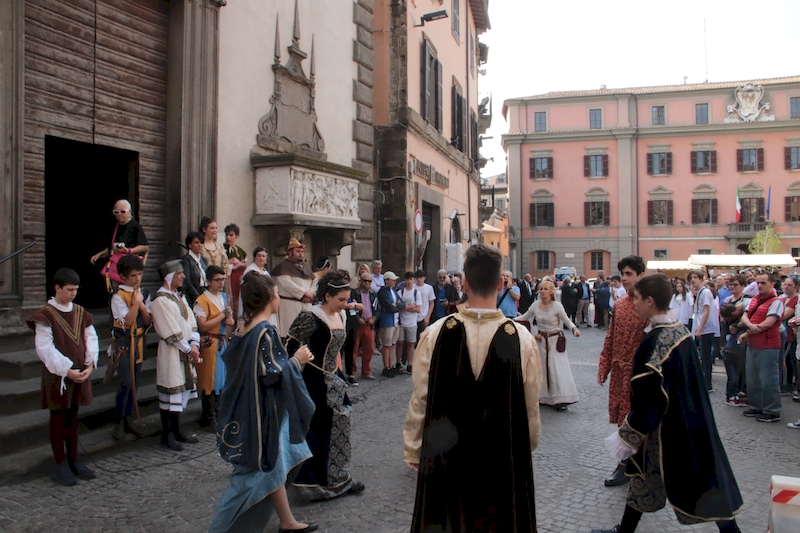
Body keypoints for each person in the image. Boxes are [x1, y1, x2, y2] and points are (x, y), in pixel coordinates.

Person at [403, 244, 542, 532]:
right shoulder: (522, 339)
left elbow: (421, 397)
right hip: (502, 454)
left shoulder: (435, 333)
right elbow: (530, 404)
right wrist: (527, 445)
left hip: (445, 454)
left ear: (464, 283)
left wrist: (414, 447)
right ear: (501, 283)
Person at [591, 274, 743, 533]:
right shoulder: (679, 330)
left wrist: (628, 435)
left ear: (650, 301)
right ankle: (624, 530)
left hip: (672, 430)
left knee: (705, 482)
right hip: (685, 422)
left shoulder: (656, 341)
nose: (633, 303)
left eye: (637, 298)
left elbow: (651, 399)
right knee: (644, 480)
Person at [209, 272, 318, 533]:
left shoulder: (241, 329)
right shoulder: (264, 331)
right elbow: (273, 375)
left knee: (274, 464)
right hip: (260, 413)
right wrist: (297, 361)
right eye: (278, 294)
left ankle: (287, 520)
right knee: (251, 474)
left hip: (247, 407)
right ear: (270, 298)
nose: (279, 298)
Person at [286, 272, 366, 501]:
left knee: (340, 427)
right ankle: (314, 482)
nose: (345, 304)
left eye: (346, 299)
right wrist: (301, 361)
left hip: (334, 379)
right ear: (327, 296)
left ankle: (339, 476)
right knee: (318, 431)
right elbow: (289, 344)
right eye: (340, 300)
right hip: (315, 381)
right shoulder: (311, 317)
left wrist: (340, 377)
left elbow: (337, 352)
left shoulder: (339, 316)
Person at [28, 268, 99, 486]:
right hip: (58, 375)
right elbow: (45, 348)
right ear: (57, 288)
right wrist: (66, 369)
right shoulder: (46, 315)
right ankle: (60, 464)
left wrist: (89, 363)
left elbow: (91, 337)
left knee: (73, 417)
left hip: (79, 372)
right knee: (59, 417)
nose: (73, 294)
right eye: (69, 290)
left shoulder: (80, 312)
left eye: (76, 290)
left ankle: (74, 458)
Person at [598, 255, 648, 487]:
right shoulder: (619, 305)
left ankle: (634, 463)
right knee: (622, 419)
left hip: (640, 373)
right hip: (620, 370)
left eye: (629, 274)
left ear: (640, 275)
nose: (624, 278)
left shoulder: (649, 304)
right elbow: (611, 336)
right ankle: (626, 462)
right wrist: (604, 364)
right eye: (623, 274)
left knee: (636, 419)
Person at [151, 260, 201, 451]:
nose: (183, 276)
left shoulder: (179, 297)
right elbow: (169, 329)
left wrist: (194, 343)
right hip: (172, 350)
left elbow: (192, 321)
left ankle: (177, 429)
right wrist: (189, 349)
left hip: (186, 349)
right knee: (171, 390)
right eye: (179, 273)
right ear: (169, 276)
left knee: (181, 392)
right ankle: (167, 434)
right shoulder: (160, 300)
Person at [515, 279, 580, 410]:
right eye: (541, 289)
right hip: (541, 340)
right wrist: (509, 320)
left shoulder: (557, 306)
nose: (542, 291)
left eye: (545, 289)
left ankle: (560, 398)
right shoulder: (535, 305)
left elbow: (566, 320)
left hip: (555, 340)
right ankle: (543, 397)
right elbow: (525, 316)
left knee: (555, 368)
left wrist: (574, 329)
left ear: (551, 292)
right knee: (541, 368)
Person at [109, 255, 151, 441]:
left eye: (139, 274)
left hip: (139, 341)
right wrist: (135, 303)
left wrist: (141, 304)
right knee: (125, 381)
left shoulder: (144, 293)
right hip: (124, 343)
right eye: (134, 275)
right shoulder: (118, 297)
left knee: (135, 382)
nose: (137, 279)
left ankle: (129, 419)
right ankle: (119, 421)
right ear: (124, 276)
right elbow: (127, 321)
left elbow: (148, 320)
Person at [738, 272, 784, 423]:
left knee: (768, 378)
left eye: (763, 283)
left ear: (772, 284)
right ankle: (757, 405)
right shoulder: (755, 299)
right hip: (754, 343)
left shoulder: (776, 301)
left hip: (768, 345)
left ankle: (772, 410)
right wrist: (750, 327)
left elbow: (769, 322)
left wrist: (751, 328)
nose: (759, 286)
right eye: (758, 283)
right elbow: (745, 316)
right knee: (753, 378)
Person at [194, 265, 234, 431]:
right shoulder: (201, 301)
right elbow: (202, 326)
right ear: (209, 281)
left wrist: (230, 323)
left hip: (223, 342)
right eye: (217, 280)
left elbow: (229, 322)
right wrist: (222, 315)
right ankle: (208, 416)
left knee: (222, 380)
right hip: (210, 342)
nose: (221, 283)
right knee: (208, 379)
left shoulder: (225, 297)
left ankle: (219, 413)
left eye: (223, 279)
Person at [273, 238, 316, 338]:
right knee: (290, 335)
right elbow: (287, 284)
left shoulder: (306, 267)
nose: (301, 254)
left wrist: (311, 294)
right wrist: (304, 293)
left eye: (302, 252)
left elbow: (314, 282)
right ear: (290, 252)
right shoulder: (282, 267)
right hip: (290, 306)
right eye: (297, 251)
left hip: (306, 305)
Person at [90, 199, 150, 269]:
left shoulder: (135, 226)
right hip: (117, 266)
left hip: (130, 266)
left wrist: (128, 251)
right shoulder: (115, 226)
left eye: (122, 211)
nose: (119, 214)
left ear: (129, 211)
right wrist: (99, 255)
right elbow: (111, 248)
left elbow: (145, 247)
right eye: (116, 212)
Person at [688, 270, 718, 391]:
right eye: (691, 278)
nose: (693, 280)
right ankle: (704, 380)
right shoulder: (699, 292)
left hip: (706, 328)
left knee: (706, 357)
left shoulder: (705, 292)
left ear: (701, 279)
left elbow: (706, 310)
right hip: (700, 326)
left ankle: (707, 383)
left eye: (695, 277)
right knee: (703, 355)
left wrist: (700, 328)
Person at [350, 272, 377, 380]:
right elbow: (351, 308)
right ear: (360, 281)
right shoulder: (354, 293)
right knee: (354, 349)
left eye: (369, 281)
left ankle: (366, 371)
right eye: (365, 280)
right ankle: (351, 372)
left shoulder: (374, 293)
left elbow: (378, 309)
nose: (367, 283)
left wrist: (373, 319)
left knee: (369, 349)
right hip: (357, 324)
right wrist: (357, 318)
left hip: (369, 324)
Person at [377, 271, 403, 377]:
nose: (394, 282)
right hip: (387, 321)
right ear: (387, 280)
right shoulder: (382, 292)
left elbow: (402, 304)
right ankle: (386, 367)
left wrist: (396, 305)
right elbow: (389, 307)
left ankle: (391, 365)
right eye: (392, 280)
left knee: (392, 344)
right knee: (387, 345)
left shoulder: (393, 291)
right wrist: (397, 306)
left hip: (395, 320)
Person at [397, 272, 423, 375]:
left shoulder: (416, 293)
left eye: (410, 279)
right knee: (400, 343)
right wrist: (409, 307)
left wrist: (406, 308)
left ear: (414, 280)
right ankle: (398, 362)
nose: (408, 281)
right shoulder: (400, 292)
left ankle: (410, 364)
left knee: (411, 343)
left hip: (412, 322)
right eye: (407, 279)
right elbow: (398, 306)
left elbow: (418, 309)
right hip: (401, 322)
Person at [223, 223, 247, 324]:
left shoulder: (241, 251)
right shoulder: (221, 249)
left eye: (231, 235)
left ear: (237, 236)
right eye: (227, 235)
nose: (228, 237)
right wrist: (234, 266)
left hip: (238, 281)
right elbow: (222, 265)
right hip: (228, 281)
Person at [181, 231, 208, 308]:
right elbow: (187, 281)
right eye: (196, 243)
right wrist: (198, 297)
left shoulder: (203, 260)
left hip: (204, 292)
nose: (200, 245)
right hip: (192, 295)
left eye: (201, 243)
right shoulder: (186, 260)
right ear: (189, 245)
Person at [414, 269, 436, 343]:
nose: (419, 280)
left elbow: (432, 303)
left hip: (424, 316)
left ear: (424, 278)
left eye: (421, 277)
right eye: (417, 278)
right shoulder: (413, 287)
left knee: (423, 338)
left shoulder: (429, 288)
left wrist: (428, 316)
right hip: (413, 316)